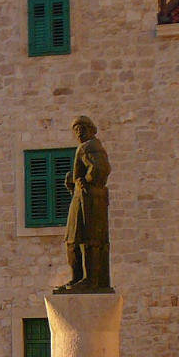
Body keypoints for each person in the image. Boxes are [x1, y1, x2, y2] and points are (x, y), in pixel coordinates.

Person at [57, 116, 112, 292]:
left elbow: (101, 169)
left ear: (90, 129)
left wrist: (85, 179)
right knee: (73, 239)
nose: (79, 132)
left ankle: (89, 279)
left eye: (82, 128)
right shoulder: (86, 147)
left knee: (89, 239)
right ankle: (79, 278)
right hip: (81, 197)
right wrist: (73, 181)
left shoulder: (91, 146)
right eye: (76, 129)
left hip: (89, 198)